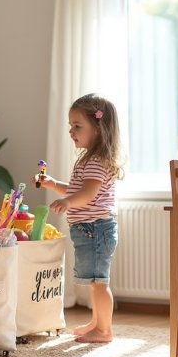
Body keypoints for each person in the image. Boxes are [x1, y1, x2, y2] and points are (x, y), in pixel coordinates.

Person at [36, 93, 124, 343]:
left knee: (99, 283)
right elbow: (77, 190)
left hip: (95, 229)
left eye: (77, 126)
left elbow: (87, 194)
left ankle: (104, 330)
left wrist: (67, 202)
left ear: (97, 129)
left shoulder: (96, 161)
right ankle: (98, 323)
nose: (71, 131)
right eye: (70, 126)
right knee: (95, 282)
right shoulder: (89, 159)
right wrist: (54, 185)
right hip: (90, 229)